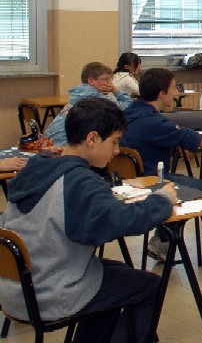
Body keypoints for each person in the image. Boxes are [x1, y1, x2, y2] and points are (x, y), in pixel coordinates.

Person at [0, 97, 176, 343]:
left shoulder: (36, 167)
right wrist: (162, 200)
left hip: (15, 287)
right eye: (114, 142)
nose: (117, 151)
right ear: (92, 138)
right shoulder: (79, 182)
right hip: (49, 293)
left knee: (120, 274)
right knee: (150, 286)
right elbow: (122, 222)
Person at [120, 68, 202, 261]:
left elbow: (149, 139)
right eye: (174, 88)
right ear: (161, 94)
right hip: (153, 183)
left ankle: (162, 241)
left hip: (128, 184)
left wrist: (175, 142)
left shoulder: (128, 114)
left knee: (182, 187)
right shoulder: (155, 122)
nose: (176, 93)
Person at [45, 62, 134, 145]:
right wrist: (115, 90)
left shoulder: (79, 93)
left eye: (110, 80)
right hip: (64, 144)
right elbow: (129, 106)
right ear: (91, 81)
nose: (110, 83)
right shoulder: (95, 98)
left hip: (49, 141)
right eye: (106, 80)